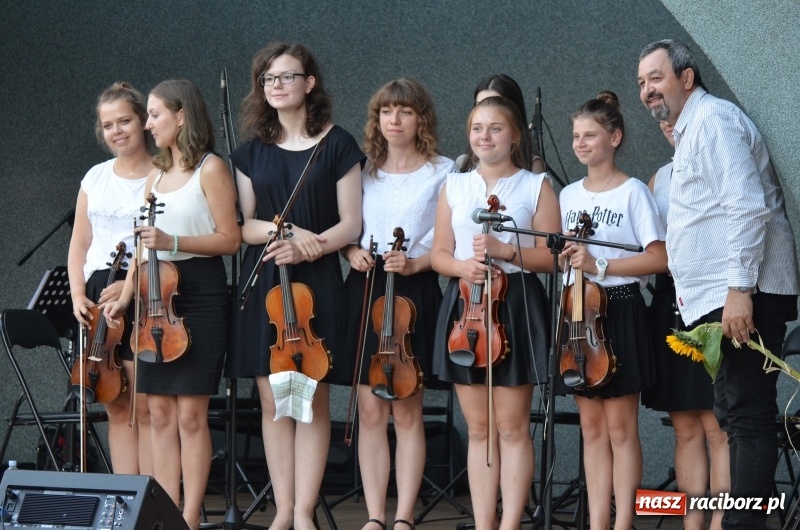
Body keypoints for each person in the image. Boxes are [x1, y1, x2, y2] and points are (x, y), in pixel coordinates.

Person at [637, 39, 800, 529]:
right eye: (641, 82)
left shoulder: (714, 121)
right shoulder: (696, 129)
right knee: (732, 414)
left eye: (656, 77)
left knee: (746, 417)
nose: (647, 90)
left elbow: (747, 207)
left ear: (688, 79)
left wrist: (738, 290)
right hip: (721, 297)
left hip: (742, 294)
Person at [224, 42, 364, 530]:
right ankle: (282, 510)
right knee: (272, 399)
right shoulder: (248, 153)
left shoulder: (339, 144)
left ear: (310, 83)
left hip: (317, 277)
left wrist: (314, 246)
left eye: (287, 76)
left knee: (309, 397)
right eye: (268, 79)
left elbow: (351, 224)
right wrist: (287, 234)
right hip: (264, 277)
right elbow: (245, 225)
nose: (277, 85)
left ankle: (304, 511)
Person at [105, 79, 241, 530]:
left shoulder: (211, 168)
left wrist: (175, 240)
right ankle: (162, 512)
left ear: (182, 116)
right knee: (158, 411)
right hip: (154, 297)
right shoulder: (156, 175)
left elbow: (230, 239)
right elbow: (142, 250)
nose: (147, 124)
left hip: (200, 297)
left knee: (189, 414)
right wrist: (123, 301)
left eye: (155, 114)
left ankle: (189, 517)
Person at [431, 95, 560, 530]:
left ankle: (509, 525)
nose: (484, 136)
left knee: (511, 426)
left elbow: (553, 256)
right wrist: (461, 266)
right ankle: (484, 523)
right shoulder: (454, 185)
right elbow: (439, 254)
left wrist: (508, 251)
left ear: (515, 135)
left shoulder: (535, 186)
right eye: (477, 128)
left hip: (517, 305)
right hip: (468, 304)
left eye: (495, 128)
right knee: (480, 429)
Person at [341, 78, 456, 530]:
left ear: (420, 119)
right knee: (370, 409)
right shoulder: (362, 170)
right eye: (386, 111)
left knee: (406, 406)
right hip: (366, 288)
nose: (394, 119)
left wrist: (417, 263)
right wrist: (351, 251)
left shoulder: (445, 171)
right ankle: (374, 515)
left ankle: (404, 516)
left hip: (414, 288)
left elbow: (448, 242)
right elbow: (347, 229)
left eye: (405, 111)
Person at [558, 91, 667, 530]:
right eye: (576, 136)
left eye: (590, 135)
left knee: (621, 429)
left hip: (619, 309)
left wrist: (600, 263)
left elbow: (658, 258)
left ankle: (624, 523)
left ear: (615, 137)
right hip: (578, 315)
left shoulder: (634, 191)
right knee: (591, 428)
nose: (581, 143)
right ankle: (598, 521)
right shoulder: (567, 195)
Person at [641, 119, 729, 530]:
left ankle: (722, 523)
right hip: (668, 301)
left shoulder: (718, 163)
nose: (669, 126)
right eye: (663, 122)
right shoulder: (658, 176)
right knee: (686, 426)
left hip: (711, 300)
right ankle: (692, 523)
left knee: (718, 425)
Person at [68, 82, 154, 476]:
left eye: (125, 121)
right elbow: (80, 242)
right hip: (98, 289)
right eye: (108, 125)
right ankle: (124, 496)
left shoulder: (161, 174)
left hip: (142, 285)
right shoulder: (94, 177)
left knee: (144, 402)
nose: (117, 131)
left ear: (143, 122)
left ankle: (151, 498)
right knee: (116, 402)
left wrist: (131, 285)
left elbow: (153, 242)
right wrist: (76, 295)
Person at [458, 74, 546, 174]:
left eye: (496, 103)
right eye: (480, 104)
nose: (487, 111)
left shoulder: (532, 164)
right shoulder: (462, 163)